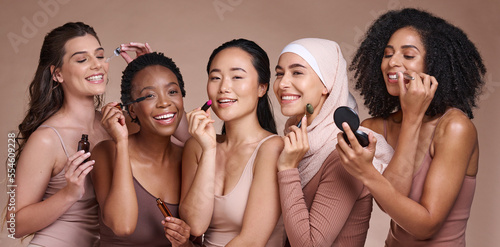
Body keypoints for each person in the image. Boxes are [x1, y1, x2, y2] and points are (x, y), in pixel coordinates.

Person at [337, 8, 486, 246]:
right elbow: (390, 203)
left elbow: (425, 226)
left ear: (434, 65)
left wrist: (367, 172)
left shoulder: (455, 127)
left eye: (408, 56)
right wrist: (411, 118)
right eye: (387, 54)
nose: (392, 63)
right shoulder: (374, 127)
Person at [273, 38, 394, 247]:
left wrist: (287, 168)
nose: (282, 83)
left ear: (326, 84)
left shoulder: (343, 153)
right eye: (279, 73)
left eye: (297, 72)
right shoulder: (296, 139)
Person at [11, 22, 110, 247]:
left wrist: (145, 70)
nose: (97, 66)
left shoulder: (112, 124)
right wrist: (69, 194)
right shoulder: (47, 138)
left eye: (100, 56)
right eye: (82, 59)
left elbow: (177, 139)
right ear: (57, 74)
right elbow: (13, 226)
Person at [180, 39, 286, 247]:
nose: (224, 87)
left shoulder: (273, 148)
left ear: (261, 88)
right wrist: (209, 150)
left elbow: (252, 241)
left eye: (237, 77)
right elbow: (195, 225)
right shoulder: (197, 146)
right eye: (215, 78)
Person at [91, 52, 195, 247]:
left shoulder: (190, 157)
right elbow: (122, 226)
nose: (165, 103)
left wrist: (184, 243)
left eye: (172, 92)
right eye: (149, 95)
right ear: (131, 110)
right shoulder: (107, 152)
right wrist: (121, 142)